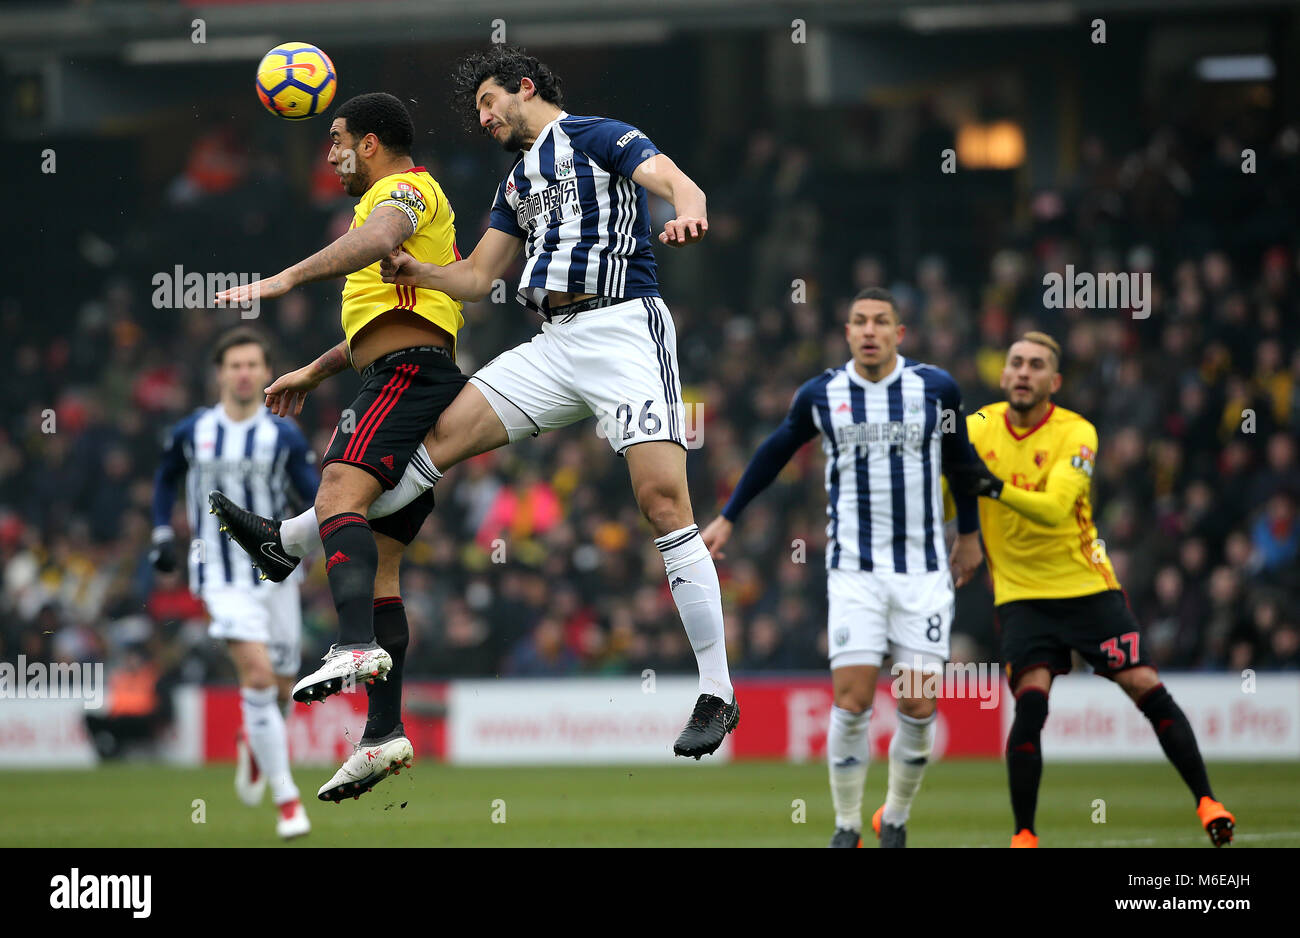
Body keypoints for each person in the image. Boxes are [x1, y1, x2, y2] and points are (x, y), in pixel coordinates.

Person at [214, 46, 739, 758]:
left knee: (662, 504)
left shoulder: (597, 135)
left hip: (623, 327)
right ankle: (292, 541)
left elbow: (673, 179)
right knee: (427, 450)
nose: (484, 119)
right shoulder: (518, 182)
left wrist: (689, 209)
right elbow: (475, 279)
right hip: (554, 343)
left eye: (490, 103)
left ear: (525, 88)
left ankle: (717, 692)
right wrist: (416, 270)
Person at [210, 92, 464, 802]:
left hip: (406, 375)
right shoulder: (396, 205)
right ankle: (383, 734)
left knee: (335, 496)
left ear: (374, 144)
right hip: (407, 368)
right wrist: (316, 370)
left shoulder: (404, 191)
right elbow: (382, 311)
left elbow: (380, 241)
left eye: (338, 139)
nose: (330, 154)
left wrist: (287, 277)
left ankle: (348, 637)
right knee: (382, 560)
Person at [701, 287, 986, 847]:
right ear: (848, 332)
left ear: (900, 334)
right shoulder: (822, 394)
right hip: (853, 571)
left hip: (923, 570)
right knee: (853, 700)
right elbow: (776, 450)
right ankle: (848, 826)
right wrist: (729, 516)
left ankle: (897, 818)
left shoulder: (936, 389)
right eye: (860, 321)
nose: (871, 330)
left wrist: (971, 536)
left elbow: (960, 462)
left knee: (917, 701)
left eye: (882, 321)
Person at [948, 331, 1235, 847]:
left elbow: (1057, 507)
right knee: (1030, 705)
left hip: (1087, 588)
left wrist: (987, 485)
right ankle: (1025, 835)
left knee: (1143, 685)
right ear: (1003, 373)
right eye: (1016, 363)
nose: (1023, 372)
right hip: (1021, 597)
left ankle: (1207, 800)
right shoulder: (979, 425)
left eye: (1036, 365)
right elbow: (949, 495)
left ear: (1053, 382)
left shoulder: (1076, 432)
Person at [151, 327, 318, 839]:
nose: (244, 374)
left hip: (277, 573)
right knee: (259, 677)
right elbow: (165, 479)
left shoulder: (284, 435)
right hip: (219, 574)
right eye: (235, 365)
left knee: (284, 687)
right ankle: (288, 801)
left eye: (253, 365)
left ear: (267, 374)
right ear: (220, 373)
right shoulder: (192, 431)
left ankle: (256, 743)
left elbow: (315, 499)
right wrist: (162, 533)